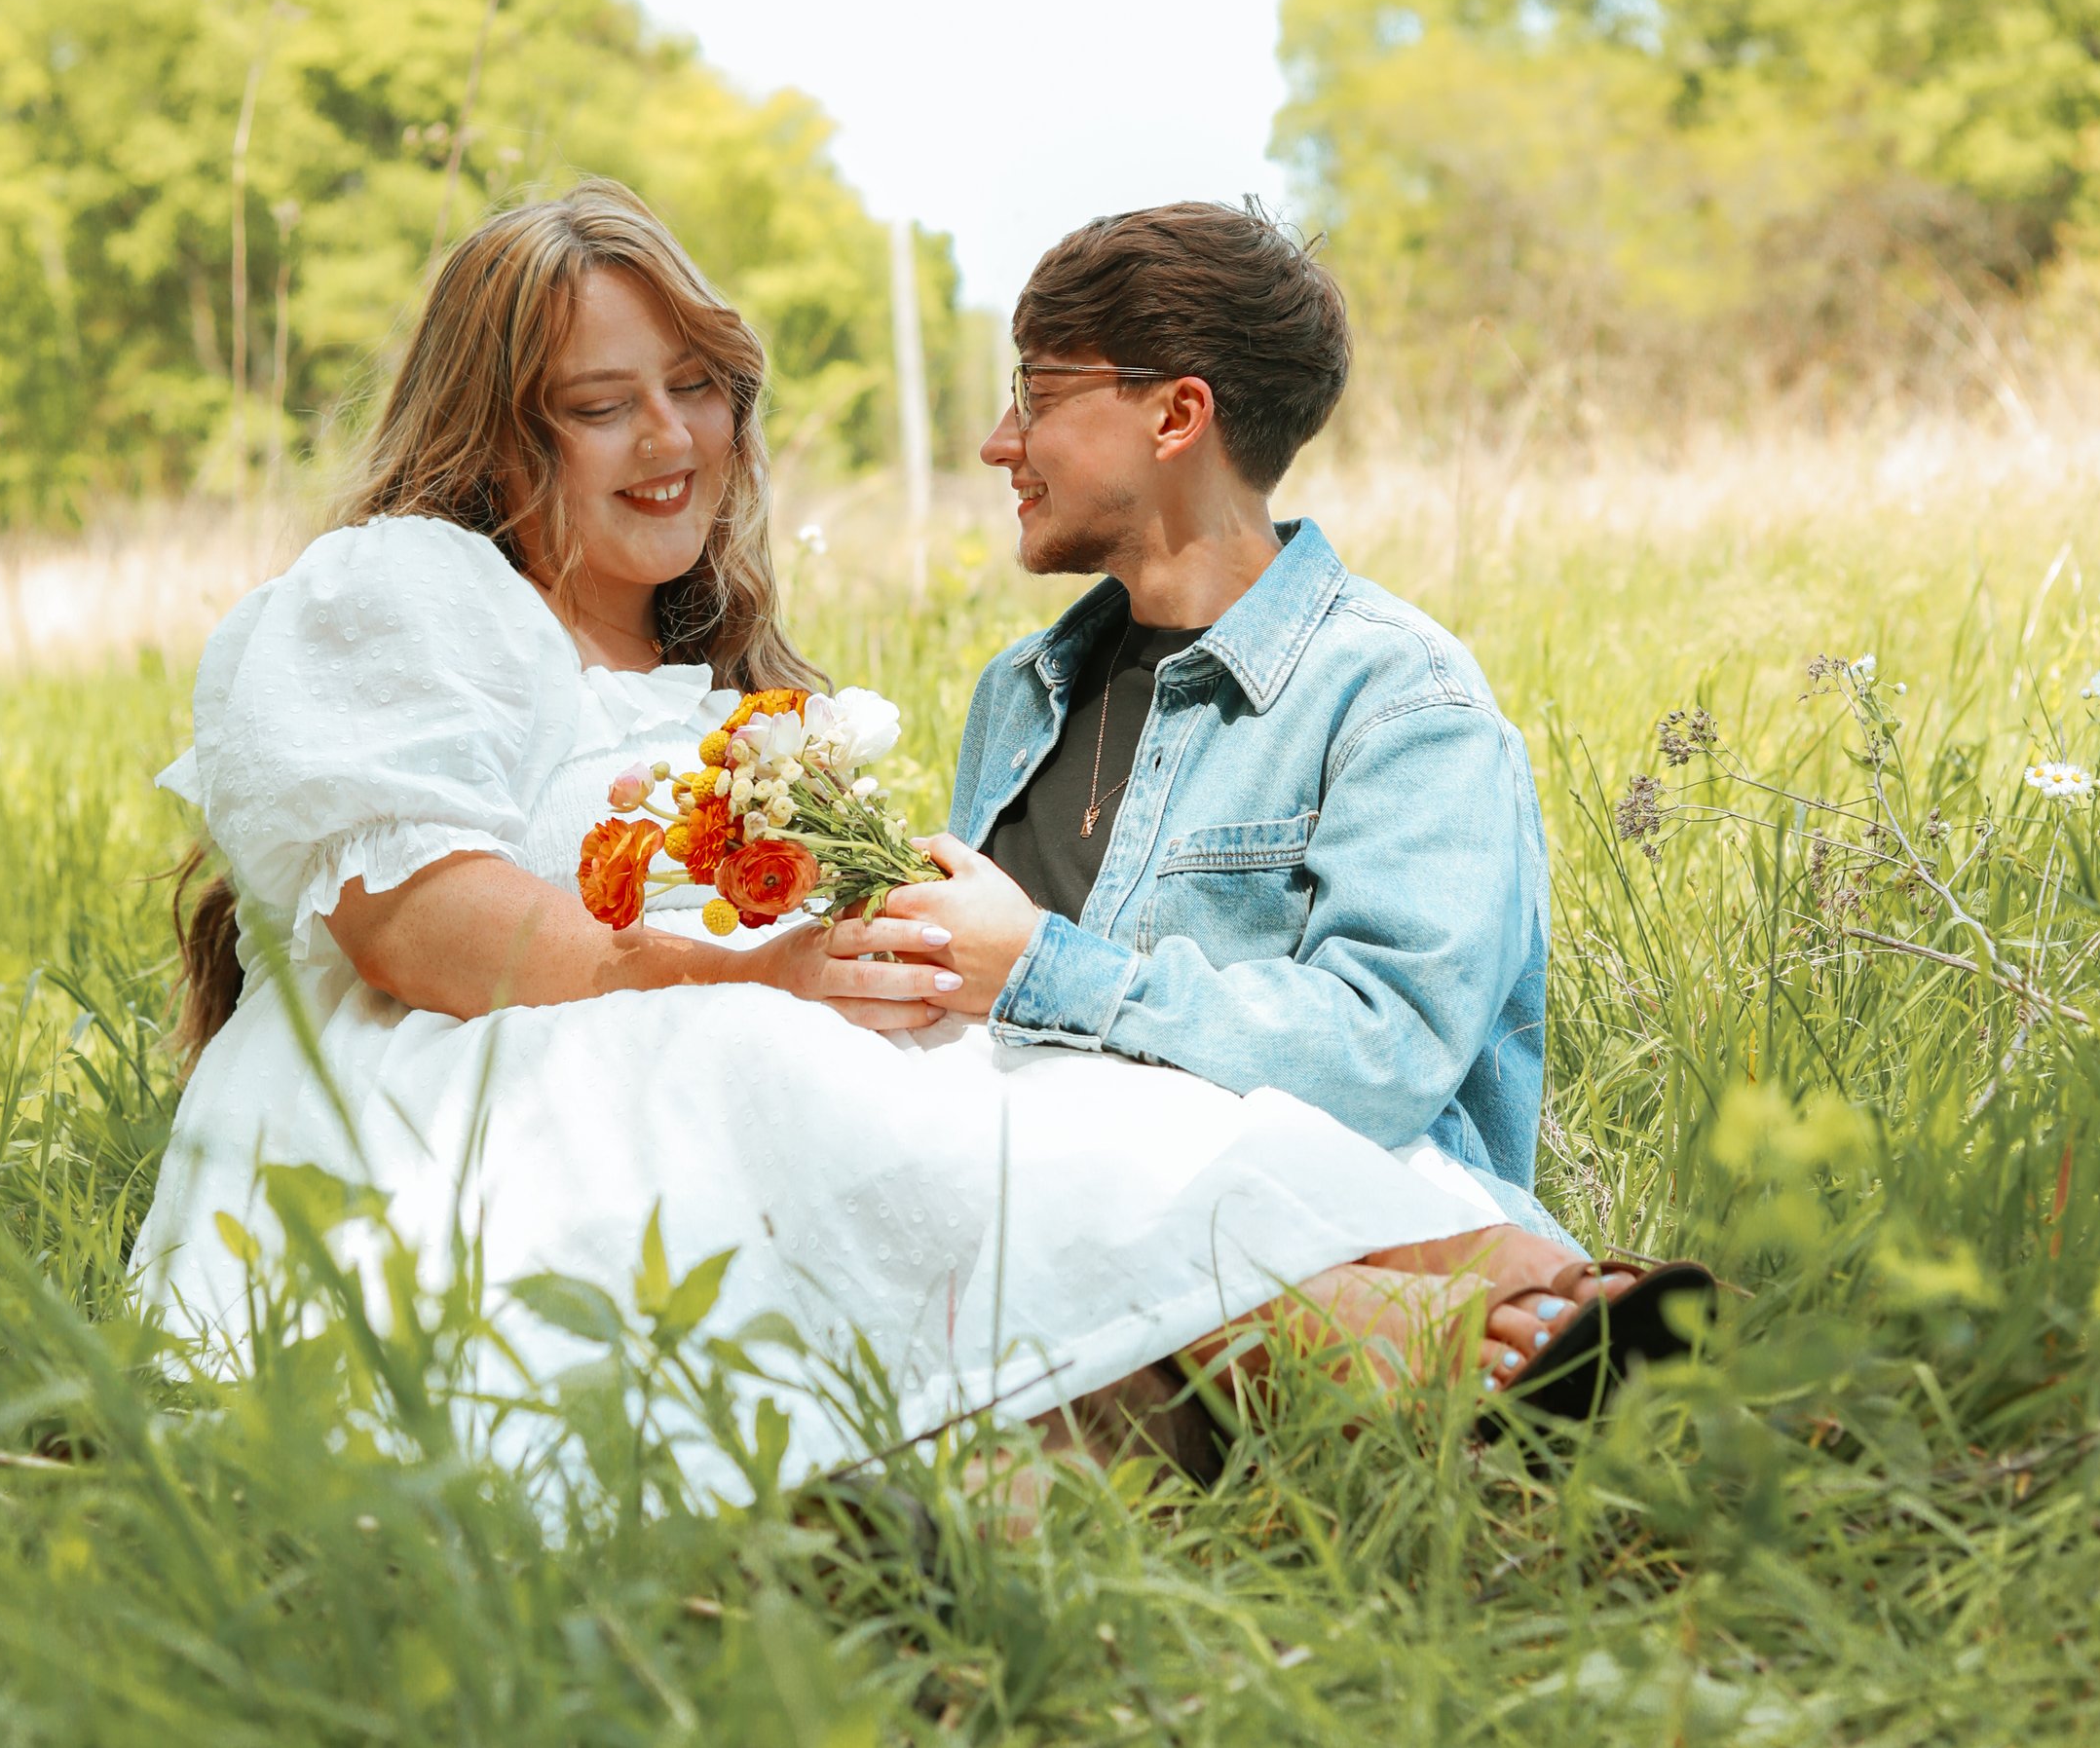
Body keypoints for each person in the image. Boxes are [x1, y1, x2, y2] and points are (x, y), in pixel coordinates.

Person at [137, 180, 1663, 1492]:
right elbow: (421, 919)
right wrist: (772, 984)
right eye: (601, 406)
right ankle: (1431, 1348)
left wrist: (898, 979)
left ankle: (1512, 1300)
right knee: (884, 1102)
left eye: (697, 384)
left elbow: (1284, 1039)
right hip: (516, 1077)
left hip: (722, 1075)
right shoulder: (403, 590)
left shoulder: (745, 697)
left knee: (982, 1121)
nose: (671, 438)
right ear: (490, 432)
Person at [831, 200, 1695, 1458]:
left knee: (1044, 1376)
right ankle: (1482, 1347)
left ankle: (1476, 1359)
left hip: (1328, 1197)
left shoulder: (1399, 696)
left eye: (1036, 393)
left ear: (1176, 416)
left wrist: (1041, 968)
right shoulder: (1017, 695)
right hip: (1045, 1207)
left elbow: (1386, 1054)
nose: (994, 440)